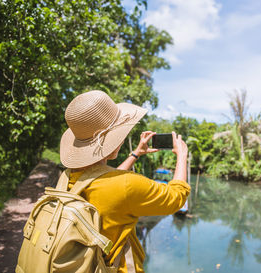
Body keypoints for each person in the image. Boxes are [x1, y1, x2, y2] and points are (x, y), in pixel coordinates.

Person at [59, 90, 190, 273]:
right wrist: (182, 156)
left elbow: (105, 182)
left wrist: (135, 154)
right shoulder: (126, 185)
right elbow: (177, 197)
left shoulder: (67, 178)